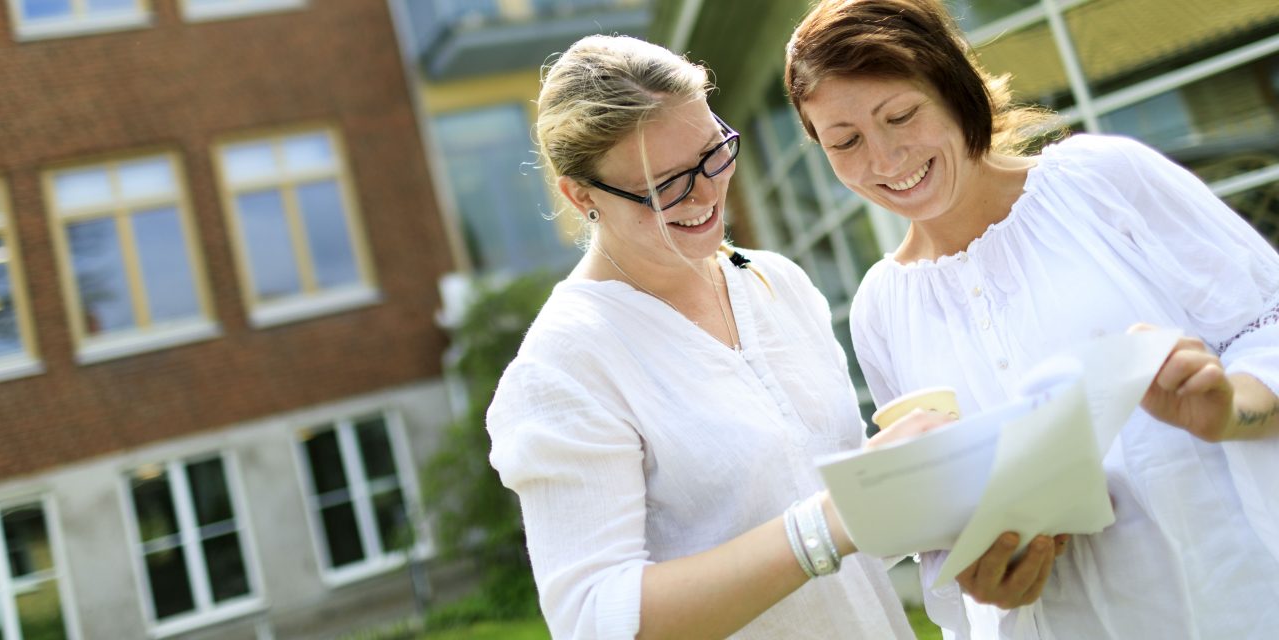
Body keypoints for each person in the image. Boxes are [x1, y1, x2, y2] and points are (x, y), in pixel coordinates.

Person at [485, 34, 1059, 639]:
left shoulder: (774, 283)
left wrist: (975, 511)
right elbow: (596, 621)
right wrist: (831, 523)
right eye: (666, 186)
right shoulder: (564, 366)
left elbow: (861, 539)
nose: (706, 194)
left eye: (714, 154)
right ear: (581, 195)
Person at [784, 0, 1279, 638]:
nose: (883, 160)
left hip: (1239, 596)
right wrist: (981, 572)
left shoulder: (1101, 180)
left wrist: (1228, 407)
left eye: (901, 115)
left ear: (954, 86)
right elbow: (939, 509)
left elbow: (1267, 327)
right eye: (844, 141)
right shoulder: (881, 307)